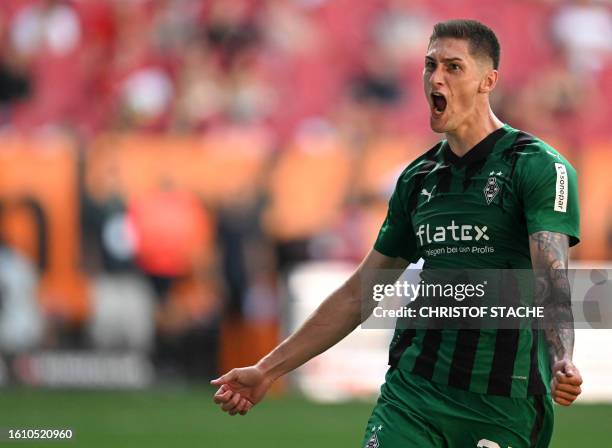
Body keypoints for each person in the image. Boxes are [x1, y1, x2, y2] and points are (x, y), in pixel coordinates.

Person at [211, 19, 583, 447]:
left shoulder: (537, 166)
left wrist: (562, 359)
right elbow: (361, 293)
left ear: (488, 81)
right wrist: (267, 369)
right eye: (430, 65)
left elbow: (551, 278)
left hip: (505, 403)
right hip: (415, 395)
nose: (436, 78)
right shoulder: (418, 179)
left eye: (453, 67)